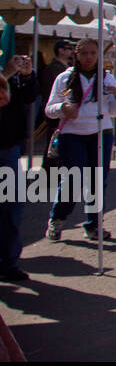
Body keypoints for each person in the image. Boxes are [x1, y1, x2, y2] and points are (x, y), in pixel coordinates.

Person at [44, 39, 116, 241]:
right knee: (72, 180)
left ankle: (93, 224)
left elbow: (113, 112)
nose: (89, 58)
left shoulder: (106, 78)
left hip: (100, 133)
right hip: (72, 135)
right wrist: (63, 109)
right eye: (84, 54)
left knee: (97, 182)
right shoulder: (64, 79)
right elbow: (49, 108)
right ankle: (58, 218)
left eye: (92, 53)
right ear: (76, 55)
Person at [0, 54, 35, 281]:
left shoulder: (12, 73)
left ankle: (8, 262)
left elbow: (29, 98)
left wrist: (28, 75)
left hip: (8, 146)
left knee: (11, 207)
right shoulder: (7, 72)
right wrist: (7, 75)